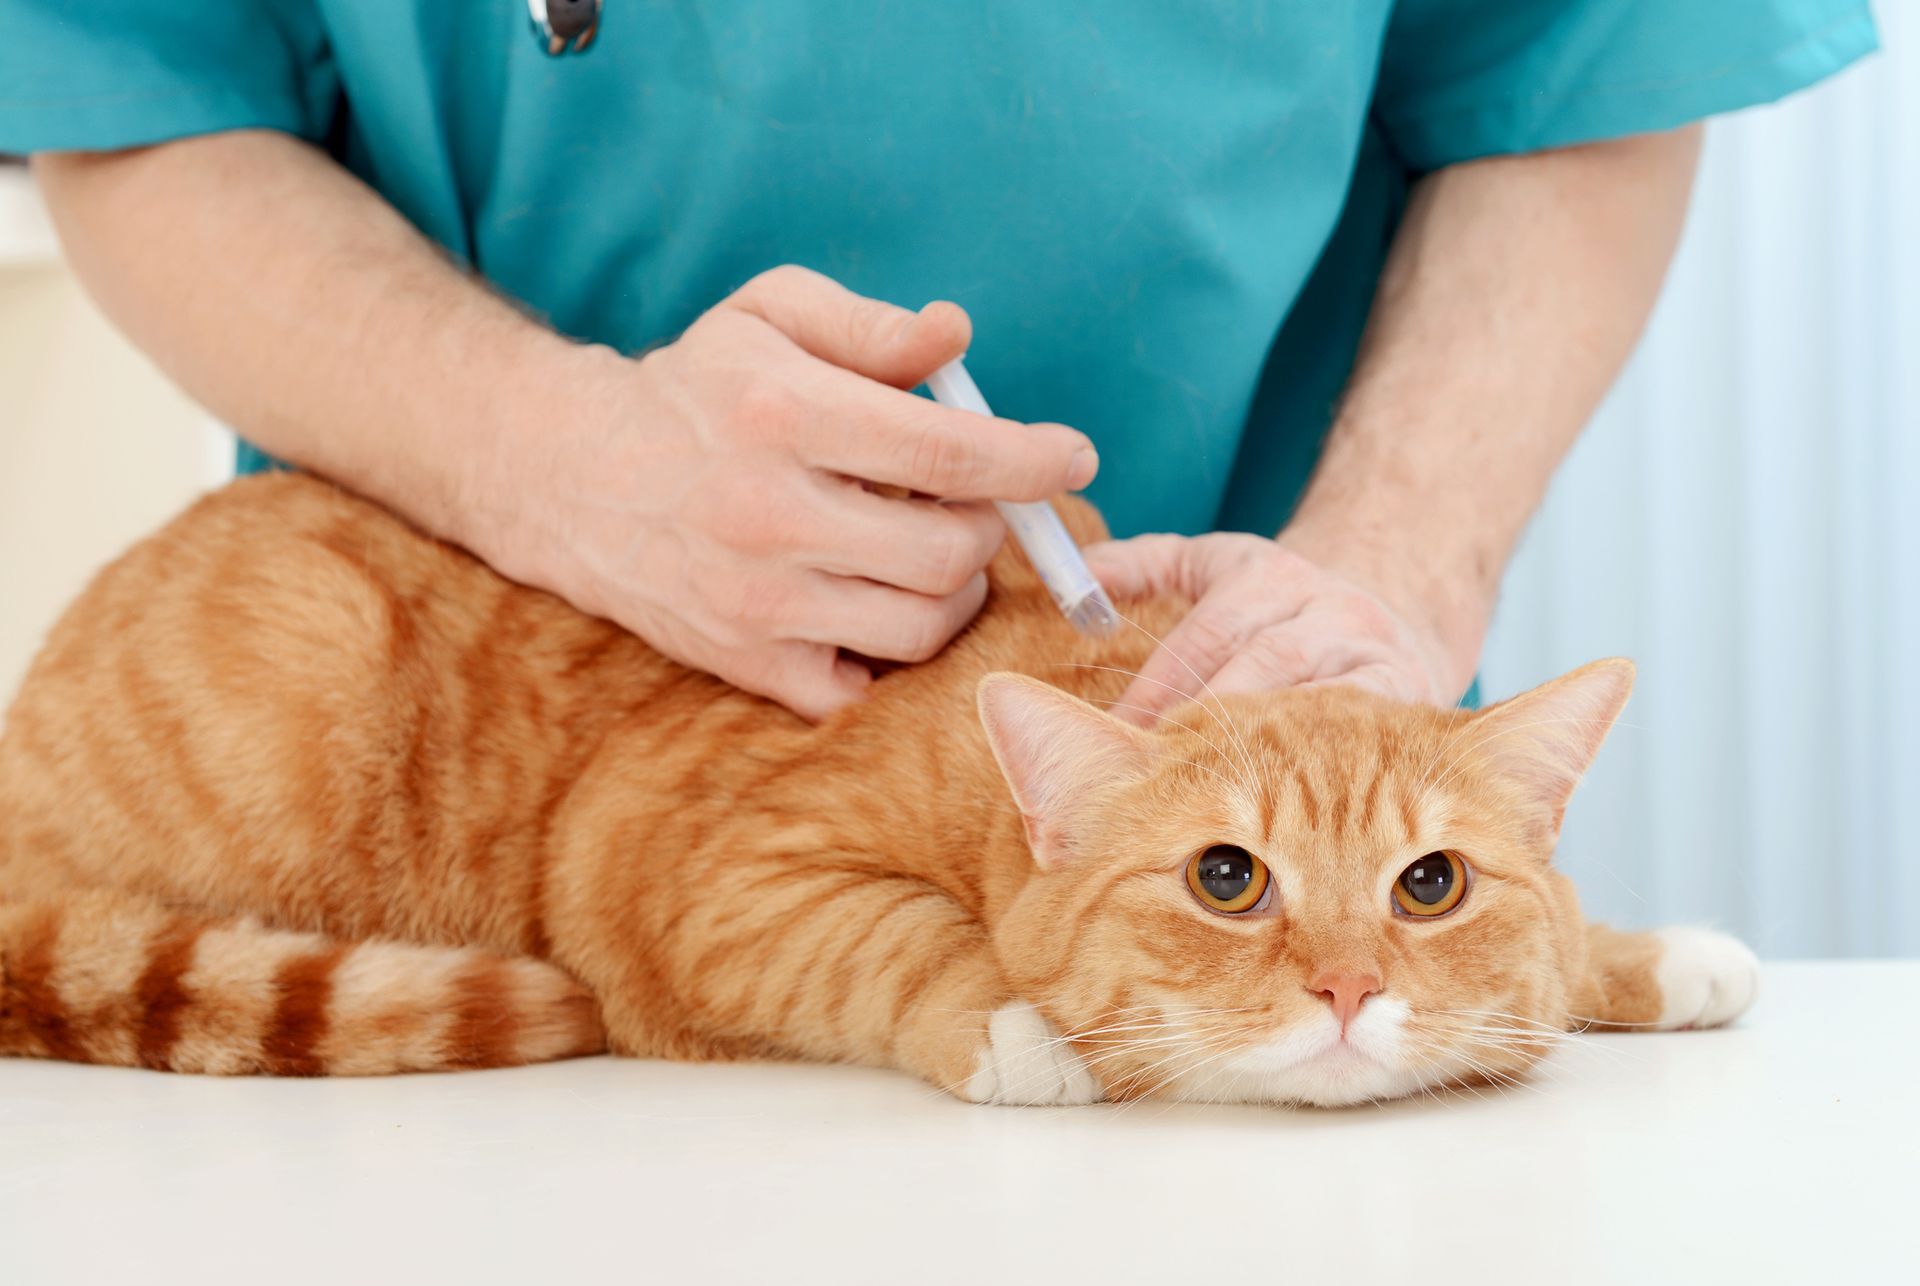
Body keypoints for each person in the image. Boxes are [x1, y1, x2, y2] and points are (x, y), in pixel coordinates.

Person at [0, 2, 1875, 721]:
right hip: (476, 758)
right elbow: (141, 90)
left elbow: (1594, 67)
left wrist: (1394, 565)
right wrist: (559, 460)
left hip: (1228, 778)